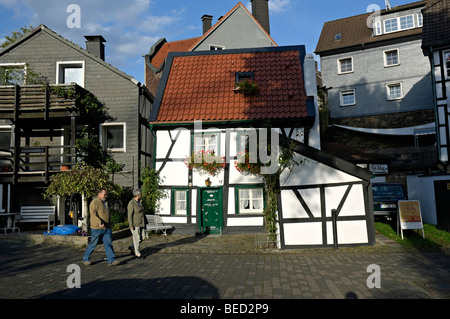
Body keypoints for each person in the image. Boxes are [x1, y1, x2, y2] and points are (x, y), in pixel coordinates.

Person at [82, 188, 119, 266]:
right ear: (99, 194)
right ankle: (85, 259)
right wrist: (100, 222)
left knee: (108, 244)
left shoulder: (104, 203)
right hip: (97, 228)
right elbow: (93, 215)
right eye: (104, 194)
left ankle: (111, 260)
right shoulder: (94, 202)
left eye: (106, 194)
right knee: (93, 244)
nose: (106, 196)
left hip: (106, 228)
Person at [127, 189, 146, 258]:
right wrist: (130, 225)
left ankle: (132, 247)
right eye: (140, 194)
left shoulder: (139, 202)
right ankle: (137, 253)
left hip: (142, 223)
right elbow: (129, 215)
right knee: (137, 238)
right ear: (138, 195)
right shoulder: (131, 203)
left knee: (143, 237)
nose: (141, 195)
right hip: (135, 224)